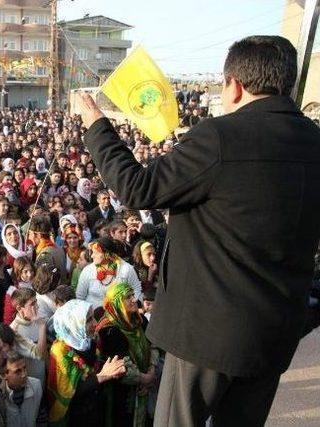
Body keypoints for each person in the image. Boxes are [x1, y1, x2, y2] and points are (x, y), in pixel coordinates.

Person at [79, 35, 320, 425]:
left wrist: (97, 127)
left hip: (206, 333)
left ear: (235, 85)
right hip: (274, 332)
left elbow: (137, 187)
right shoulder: (315, 142)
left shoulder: (220, 137)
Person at [48, 299, 126, 426]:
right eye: (88, 320)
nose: (95, 323)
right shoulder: (59, 351)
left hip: (96, 409)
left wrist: (113, 370)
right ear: (74, 323)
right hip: (76, 417)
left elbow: (97, 366)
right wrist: (101, 377)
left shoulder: (89, 340)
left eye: (93, 318)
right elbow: (66, 392)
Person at [96, 281, 159, 426]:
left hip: (146, 387)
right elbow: (119, 366)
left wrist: (151, 370)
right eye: (128, 297)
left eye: (133, 295)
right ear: (117, 302)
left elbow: (153, 345)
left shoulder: (140, 320)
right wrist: (144, 379)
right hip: (121, 394)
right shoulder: (108, 330)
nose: (134, 299)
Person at [2, 351, 47, 427]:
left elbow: (42, 418)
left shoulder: (36, 386)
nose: (24, 374)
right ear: (4, 374)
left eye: (24, 368)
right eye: (17, 371)